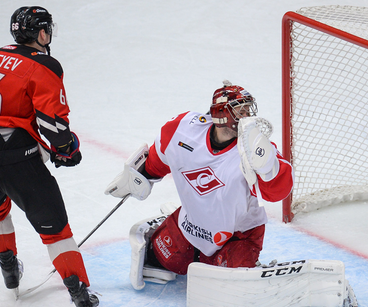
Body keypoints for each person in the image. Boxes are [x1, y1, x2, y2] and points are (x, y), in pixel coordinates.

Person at [0, 6, 98, 307]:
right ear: (41, 32)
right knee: (56, 232)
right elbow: (53, 121)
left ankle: (9, 269)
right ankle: (80, 294)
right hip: (17, 163)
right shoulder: (44, 64)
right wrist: (66, 149)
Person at [105, 80, 294, 289]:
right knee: (160, 260)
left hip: (238, 236)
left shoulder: (254, 151)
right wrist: (140, 176)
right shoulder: (183, 129)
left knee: (235, 288)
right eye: (240, 111)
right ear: (221, 114)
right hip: (190, 225)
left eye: (248, 110)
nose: (247, 117)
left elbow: (277, 193)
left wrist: (267, 167)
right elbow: (158, 158)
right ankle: (173, 229)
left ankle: (240, 264)